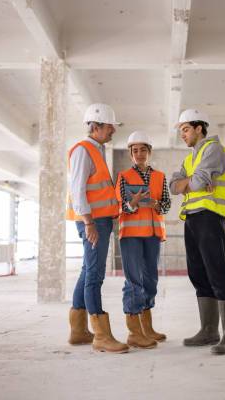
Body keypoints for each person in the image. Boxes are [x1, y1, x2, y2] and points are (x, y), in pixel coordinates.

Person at [169, 109, 225, 355]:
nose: (183, 135)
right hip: (192, 219)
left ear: (199, 128)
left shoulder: (214, 149)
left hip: (210, 217)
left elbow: (192, 183)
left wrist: (187, 183)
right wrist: (188, 182)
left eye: (186, 129)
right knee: (197, 273)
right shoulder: (189, 159)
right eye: (181, 131)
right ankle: (209, 330)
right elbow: (173, 186)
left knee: (217, 273)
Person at [66, 103, 129, 354]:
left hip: (100, 221)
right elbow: (77, 189)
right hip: (93, 223)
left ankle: (78, 331)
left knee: (86, 271)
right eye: (110, 126)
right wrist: (89, 222)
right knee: (95, 275)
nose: (113, 130)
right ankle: (101, 335)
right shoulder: (83, 150)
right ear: (97, 125)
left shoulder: (97, 150)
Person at [115, 131, 171, 349]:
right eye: (135, 150)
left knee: (150, 281)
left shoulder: (160, 177)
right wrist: (133, 203)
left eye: (143, 150)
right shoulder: (123, 177)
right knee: (134, 281)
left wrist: (157, 205)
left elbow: (166, 204)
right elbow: (119, 206)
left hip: (153, 235)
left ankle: (147, 328)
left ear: (149, 152)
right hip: (130, 235)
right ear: (131, 154)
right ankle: (134, 332)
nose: (139, 154)